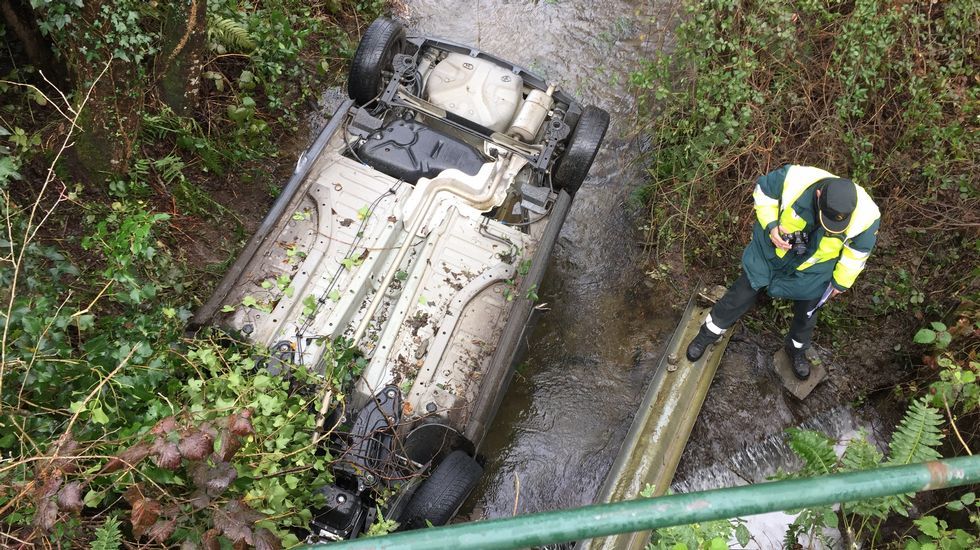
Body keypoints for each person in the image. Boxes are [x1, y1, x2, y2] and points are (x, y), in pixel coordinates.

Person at [685, 165, 881, 379]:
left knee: (808, 313)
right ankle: (707, 334)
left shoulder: (866, 217)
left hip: (813, 271)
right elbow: (764, 193)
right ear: (818, 195)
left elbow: (857, 253)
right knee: (741, 293)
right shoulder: (795, 179)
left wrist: (840, 283)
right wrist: (772, 226)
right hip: (770, 252)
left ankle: (796, 351)